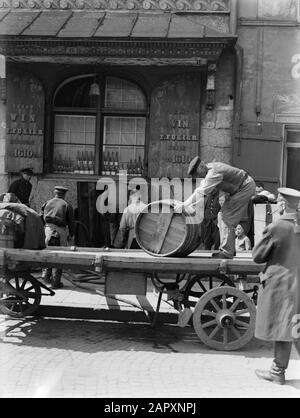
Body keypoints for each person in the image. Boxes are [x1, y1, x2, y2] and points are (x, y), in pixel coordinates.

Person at [253, 187, 300, 385]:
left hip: (281, 284)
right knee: (294, 328)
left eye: (278, 201)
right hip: (297, 283)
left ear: (282, 203)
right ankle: (277, 371)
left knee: (284, 326)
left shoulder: (278, 226)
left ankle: (277, 372)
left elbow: (258, 256)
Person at [175, 157, 256, 259]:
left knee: (227, 218)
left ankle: (227, 253)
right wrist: (188, 205)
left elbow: (200, 192)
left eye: (196, 173)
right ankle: (228, 249)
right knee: (221, 215)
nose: (196, 176)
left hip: (244, 187)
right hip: (240, 188)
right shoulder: (210, 169)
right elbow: (201, 193)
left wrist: (184, 205)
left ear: (201, 166)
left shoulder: (213, 172)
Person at [41, 186, 75, 289]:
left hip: (47, 231)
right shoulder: (66, 205)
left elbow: (40, 217)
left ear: (55, 193)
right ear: (64, 194)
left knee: (48, 254)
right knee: (58, 257)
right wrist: (71, 234)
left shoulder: (46, 203)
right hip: (60, 232)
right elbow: (71, 222)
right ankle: (55, 282)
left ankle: (45, 277)